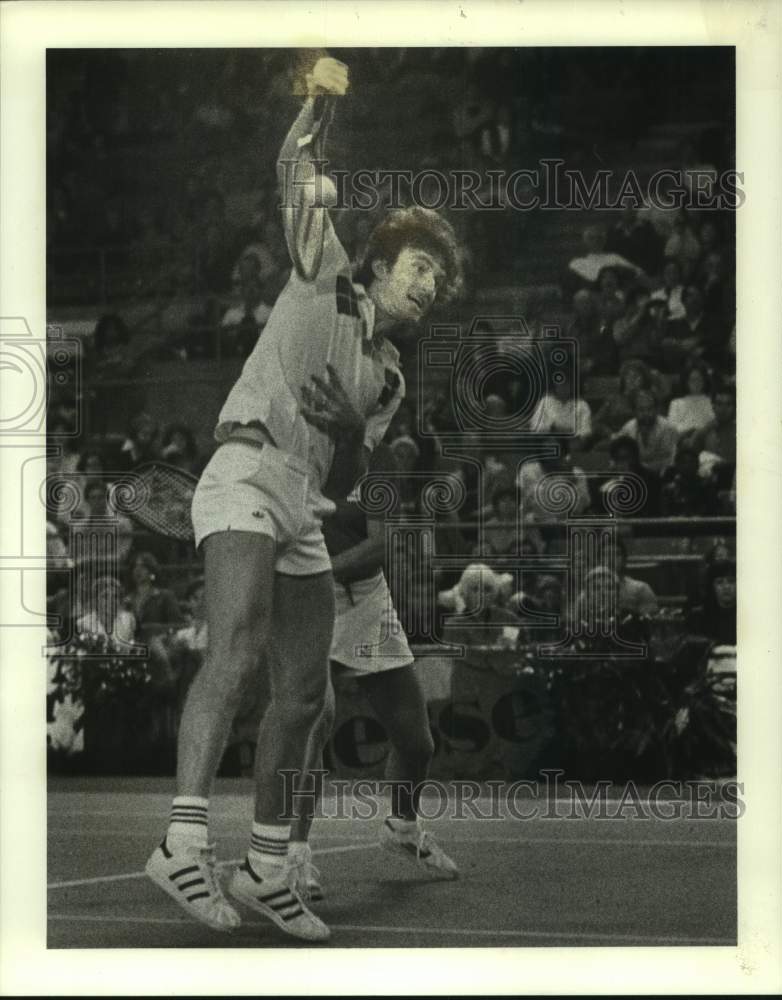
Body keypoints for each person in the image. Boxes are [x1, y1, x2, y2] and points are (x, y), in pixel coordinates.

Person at [146, 56, 463, 942]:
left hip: (303, 505)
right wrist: (314, 116)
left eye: (439, 278)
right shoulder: (321, 270)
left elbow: (339, 486)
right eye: (417, 264)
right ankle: (180, 841)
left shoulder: (390, 376)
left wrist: (352, 433)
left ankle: (268, 865)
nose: (428, 282)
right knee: (239, 646)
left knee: (306, 699)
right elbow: (297, 177)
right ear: (380, 259)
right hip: (244, 471)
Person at [282, 445, 458, 899]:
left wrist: (321, 568)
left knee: (417, 741)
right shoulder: (295, 452)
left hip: (367, 600)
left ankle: (401, 825)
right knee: (315, 726)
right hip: (311, 602)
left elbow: (379, 546)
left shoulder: (376, 465)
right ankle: (293, 855)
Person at [615, 389, 679, 475]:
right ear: (634, 411)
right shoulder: (628, 427)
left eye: (649, 409)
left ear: (656, 409)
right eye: (641, 409)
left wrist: (643, 469)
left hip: (662, 475)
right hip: (635, 475)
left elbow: (667, 460)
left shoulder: (667, 428)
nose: (646, 413)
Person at [666, 362, 715, 436]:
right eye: (692, 380)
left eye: (699, 379)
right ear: (686, 382)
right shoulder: (676, 403)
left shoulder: (711, 401)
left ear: (704, 381)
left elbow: (712, 424)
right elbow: (671, 429)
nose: (696, 383)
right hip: (682, 441)